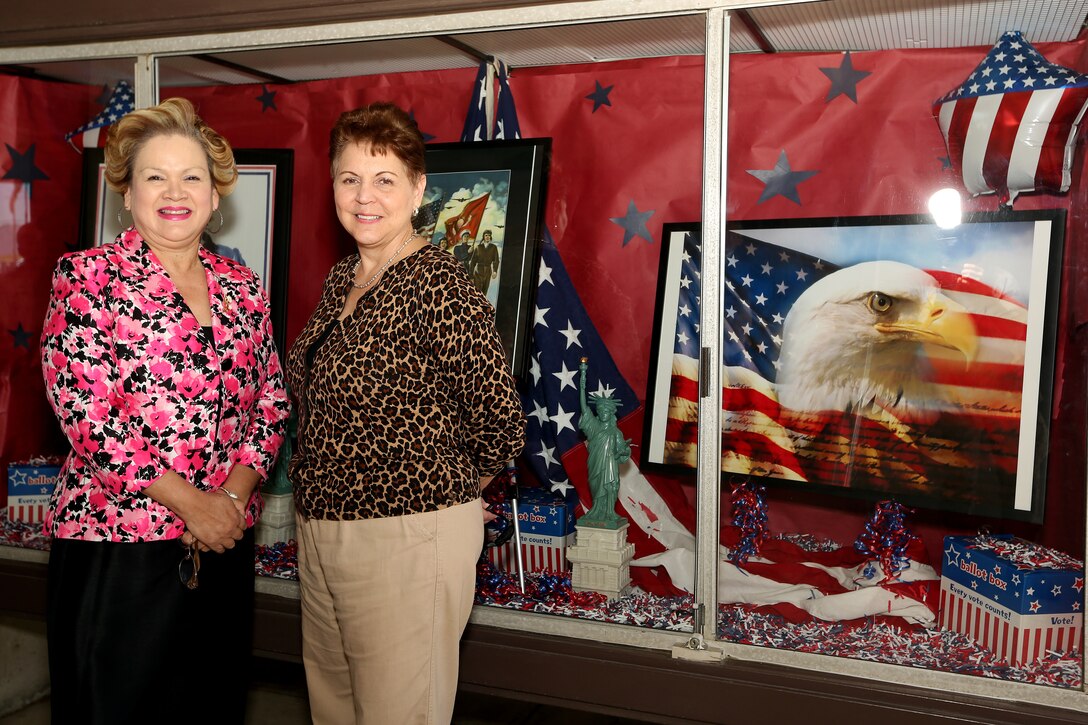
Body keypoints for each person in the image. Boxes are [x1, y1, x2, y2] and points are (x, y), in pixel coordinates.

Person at [39, 97, 290, 725]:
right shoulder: (86, 279)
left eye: (191, 177)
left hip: (223, 545)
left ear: (214, 197)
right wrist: (193, 504)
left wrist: (230, 502)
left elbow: (272, 402)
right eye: (155, 176)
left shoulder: (243, 288)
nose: (174, 191)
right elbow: (90, 415)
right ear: (126, 193)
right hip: (118, 550)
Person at [285, 101, 524, 725]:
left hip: (406, 537)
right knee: (334, 711)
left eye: (384, 179)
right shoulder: (342, 278)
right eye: (349, 178)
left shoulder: (439, 284)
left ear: (418, 189)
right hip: (320, 532)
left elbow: (500, 423)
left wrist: (437, 508)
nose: (365, 196)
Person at [577, 358, 631, 528]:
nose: (602, 413)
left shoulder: (616, 432)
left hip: (609, 465)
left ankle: (609, 512)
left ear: (611, 412)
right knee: (596, 485)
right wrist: (582, 380)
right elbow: (584, 407)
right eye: (600, 411)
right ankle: (596, 511)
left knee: (612, 486)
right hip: (596, 463)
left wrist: (623, 452)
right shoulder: (593, 427)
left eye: (606, 411)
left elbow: (622, 452)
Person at [468, 228, 500, 296]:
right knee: (477, 291)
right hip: (478, 271)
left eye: (489, 235)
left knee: (484, 292)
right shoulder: (478, 247)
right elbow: (473, 262)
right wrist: (470, 275)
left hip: (488, 271)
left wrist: (495, 271)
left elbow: (496, 260)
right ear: (483, 237)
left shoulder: (493, 247)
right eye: (486, 235)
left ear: (490, 237)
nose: (487, 237)